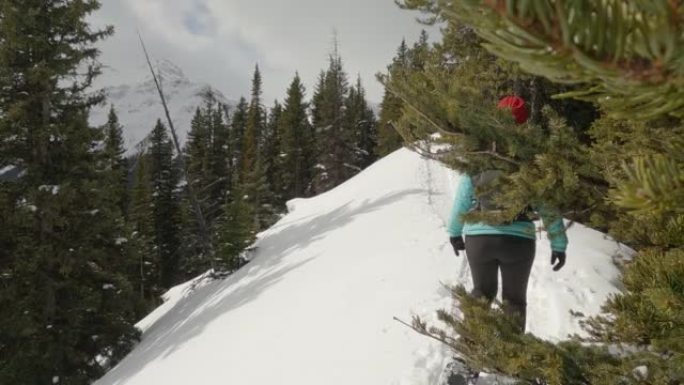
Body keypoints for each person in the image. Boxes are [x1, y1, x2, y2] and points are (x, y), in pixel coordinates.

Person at [446, 95, 568, 333]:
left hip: (479, 239)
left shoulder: (480, 156)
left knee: (481, 294)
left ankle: (468, 357)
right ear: (524, 123)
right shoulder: (532, 161)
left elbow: (462, 197)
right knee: (514, 300)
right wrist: (559, 244)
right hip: (518, 241)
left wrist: (454, 232)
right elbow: (548, 206)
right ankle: (511, 359)